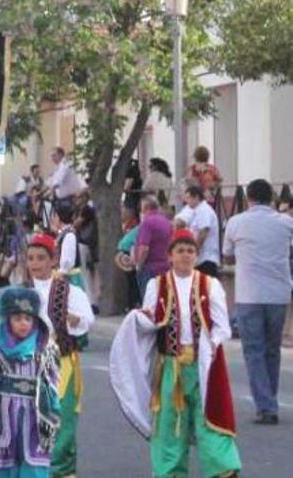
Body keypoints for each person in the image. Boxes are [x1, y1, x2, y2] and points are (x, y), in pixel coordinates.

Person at [110, 229, 241, 478]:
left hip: (204, 365)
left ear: (197, 255)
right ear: (170, 255)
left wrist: (213, 343)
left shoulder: (209, 284)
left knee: (209, 418)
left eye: (190, 251)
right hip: (170, 366)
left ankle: (222, 469)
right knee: (170, 423)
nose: (186, 256)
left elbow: (222, 326)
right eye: (180, 251)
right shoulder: (156, 285)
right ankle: (169, 472)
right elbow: (150, 325)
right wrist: (144, 318)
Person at [223, 179, 293, 425]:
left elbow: (228, 256)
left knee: (254, 351)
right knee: (272, 350)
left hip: (249, 295)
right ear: (271, 198)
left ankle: (265, 405)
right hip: (278, 294)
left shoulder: (236, 222)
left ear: (249, 198)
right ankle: (269, 399)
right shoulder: (286, 223)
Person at [24, 234, 93, 478]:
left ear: (53, 260)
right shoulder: (21, 292)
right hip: (28, 365)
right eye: (31, 258)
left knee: (61, 422)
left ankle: (62, 472)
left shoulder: (68, 291)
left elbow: (86, 320)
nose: (35, 263)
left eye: (41, 258)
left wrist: (73, 320)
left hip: (61, 364)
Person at [0, 286, 60, 478]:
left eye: (28, 318)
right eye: (17, 319)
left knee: (34, 464)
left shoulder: (45, 349)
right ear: (8, 320)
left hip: (36, 415)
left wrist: (54, 412)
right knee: (5, 465)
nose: (23, 324)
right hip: (5, 415)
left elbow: (52, 385)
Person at [174, 185, 220, 277]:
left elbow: (204, 232)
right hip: (200, 259)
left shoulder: (204, 210)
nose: (186, 201)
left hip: (206, 259)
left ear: (196, 197)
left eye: (188, 198)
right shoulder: (197, 211)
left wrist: (195, 250)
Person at [133, 195, 173, 295]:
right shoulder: (166, 222)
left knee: (149, 300)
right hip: (165, 266)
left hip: (150, 268)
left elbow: (144, 248)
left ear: (145, 207)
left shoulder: (147, 223)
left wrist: (139, 266)